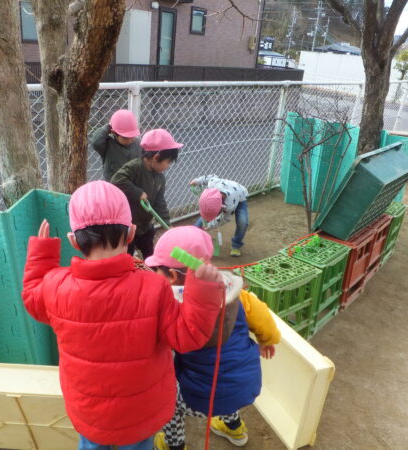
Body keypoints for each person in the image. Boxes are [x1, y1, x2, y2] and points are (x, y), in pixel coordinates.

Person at [21, 181, 223, 450]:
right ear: (131, 233)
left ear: (73, 240)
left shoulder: (56, 286)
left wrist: (42, 254)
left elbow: (33, 299)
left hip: (89, 412)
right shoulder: (154, 287)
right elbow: (189, 336)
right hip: (141, 413)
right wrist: (203, 288)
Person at [145, 226, 281, 450]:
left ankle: (173, 445)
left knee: (169, 400)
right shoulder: (238, 295)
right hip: (246, 385)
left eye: (156, 270)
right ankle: (234, 428)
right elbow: (264, 319)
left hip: (199, 399)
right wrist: (268, 340)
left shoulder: (174, 308)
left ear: (171, 276)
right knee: (224, 379)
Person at [111, 129, 182, 259]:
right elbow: (117, 180)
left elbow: (160, 202)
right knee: (127, 255)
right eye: (168, 162)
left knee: (149, 253)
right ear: (156, 157)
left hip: (146, 227)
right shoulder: (134, 167)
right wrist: (138, 193)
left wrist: (167, 223)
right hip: (129, 226)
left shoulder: (160, 178)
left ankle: (151, 268)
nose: (168, 166)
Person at [190, 175, 249, 257]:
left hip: (240, 197)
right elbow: (211, 177)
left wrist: (210, 225)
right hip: (226, 192)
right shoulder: (213, 184)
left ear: (221, 207)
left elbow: (225, 218)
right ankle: (191, 237)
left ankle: (236, 244)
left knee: (243, 222)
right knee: (205, 215)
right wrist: (198, 180)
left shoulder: (229, 206)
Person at [91, 109, 142, 181]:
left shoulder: (138, 144)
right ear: (114, 133)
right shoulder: (108, 145)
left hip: (133, 183)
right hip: (114, 183)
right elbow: (96, 142)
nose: (130, 140)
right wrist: (109, 126)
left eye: (132, 136)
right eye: (125, 138)